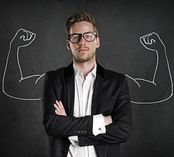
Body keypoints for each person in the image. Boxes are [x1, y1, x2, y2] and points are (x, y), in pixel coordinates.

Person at [42, 11, 132, 157]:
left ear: (97, 41)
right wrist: (100, 121)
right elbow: (52, 125)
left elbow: (123, 130)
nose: (82, 42)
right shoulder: (54, 79)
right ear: (68, 44)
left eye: (88, 36)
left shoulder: (117, 82)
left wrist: (73, 132)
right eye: (75, 37)